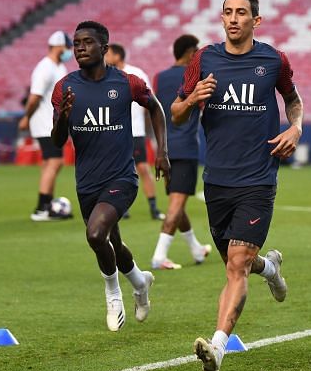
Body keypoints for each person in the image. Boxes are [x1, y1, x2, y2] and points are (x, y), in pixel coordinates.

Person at [172, 0, 301, 371]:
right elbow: (177, 113)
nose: (233, 19)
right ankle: (271, 268)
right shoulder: (204, 59)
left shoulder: (273, 59)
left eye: (241, 13)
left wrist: (295, 127)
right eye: (227, 12)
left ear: (255, 21)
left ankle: (218, 346)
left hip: (258, 178)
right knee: (238, 263)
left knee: (235, 266)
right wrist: (193, 97)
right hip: (217, 182)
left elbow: (293, 100)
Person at [51, 20, 170, 332]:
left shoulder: (127, 83)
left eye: (87, 42)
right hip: (86, 182)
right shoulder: (65, 87)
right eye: (76, 43)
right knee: (112, 243)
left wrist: (161, 151)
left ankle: (113, 293)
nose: (80, 48)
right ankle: (141, 283)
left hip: (121, 178)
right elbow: (57, 140)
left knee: (94, 235)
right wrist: (62, 117)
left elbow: (156, 108)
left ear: (104, 48)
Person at [150, 34, 212, 270]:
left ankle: (196, 248)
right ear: (188, 53)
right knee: (176, 205)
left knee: (177, 201)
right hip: (186, 148)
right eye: (196, 52)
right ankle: (159, 256)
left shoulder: (159, 77)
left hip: (164, 149)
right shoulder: (194, 77)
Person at [105, 43, 166, 220]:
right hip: (115, 132)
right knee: (116, 171)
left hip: (135, 132)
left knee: (142, 168)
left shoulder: (136, 74)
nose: (106, 58)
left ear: (117, 56)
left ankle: (153, 207)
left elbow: (150, 102)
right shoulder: (107, 76)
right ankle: (121, 208)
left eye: (108, 54)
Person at [19, 30, 73, 221]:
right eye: (67, 46)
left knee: (49, 163)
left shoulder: (58, 67)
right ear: (58, 46)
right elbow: (35, 97)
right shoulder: (45, 68)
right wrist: (27, 117)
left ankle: (47, 204)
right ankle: (42, 208)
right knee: (55, 162)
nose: (70, 51)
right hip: (44, 123)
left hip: (53, 122)